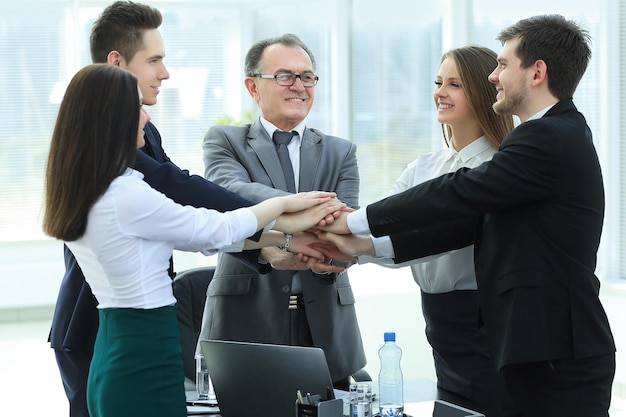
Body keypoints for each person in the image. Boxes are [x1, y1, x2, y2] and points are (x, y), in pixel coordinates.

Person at [317, 15, 616, 417]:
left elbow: (458, 192)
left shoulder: (548, 136)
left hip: (555, 352)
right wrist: (357, 245)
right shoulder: (550, 135)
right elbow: (466, 226)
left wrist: (352, 222)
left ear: (537, 72)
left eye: (504, 65)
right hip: (539, 349)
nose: (494, 76)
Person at [47, 3, 335, 416]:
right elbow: (187, 201)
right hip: (107, 328)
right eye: (155, 59)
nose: (165, 73)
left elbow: (183, 226)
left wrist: (277, 238)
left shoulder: (96, 161)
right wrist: (284, 212)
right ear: (117, 64)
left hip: (120, 331)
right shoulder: (118, 174)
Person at [347, 45, 514, 417]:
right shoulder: (423, 167)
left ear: (484, 91)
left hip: (484, 323)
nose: (440, 91)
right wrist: (329, 239)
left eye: (455, 84)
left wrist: (350, 249)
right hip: (439, 322)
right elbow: (376, 226)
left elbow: (432, 241)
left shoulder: (499, 168)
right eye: (439, 81)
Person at [196, 33, 366, 389]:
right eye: (285, 76)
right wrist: (280, 233)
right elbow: (229, 195)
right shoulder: (225, 140)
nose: (299, 86)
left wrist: (295, 239)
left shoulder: (341, 152)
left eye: (307, 77)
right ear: (253, 87)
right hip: (245, 316)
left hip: (325, 318)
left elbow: (347, 224)